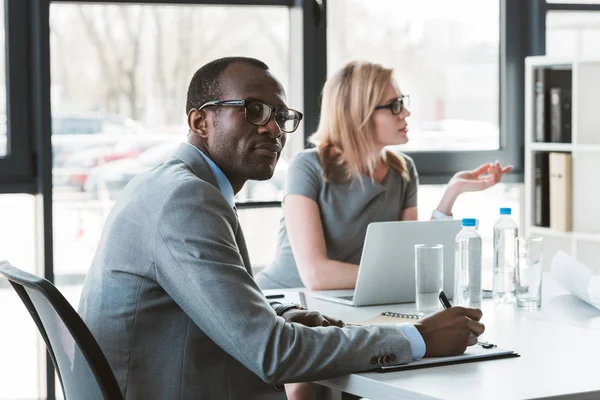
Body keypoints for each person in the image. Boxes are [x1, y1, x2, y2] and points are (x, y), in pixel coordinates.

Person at [78, 57, 485, 400]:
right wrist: (418, 339)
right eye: (253, 110)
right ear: (200, 121)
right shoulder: (186, 201)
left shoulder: (178, 185)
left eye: (281, 116)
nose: (273, 128)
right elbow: (273, 353)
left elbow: (210, 303)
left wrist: (283, 314)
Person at [256, 60, 512, 291]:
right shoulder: (307, 166)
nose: (406, 114)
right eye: (395, 106)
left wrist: (452, 192)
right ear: (360, 114)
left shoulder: (403, 170)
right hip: (284, 298)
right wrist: (406, 275)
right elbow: (316, 275)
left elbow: (410, 256)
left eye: (403, 102)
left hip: (348, 300)